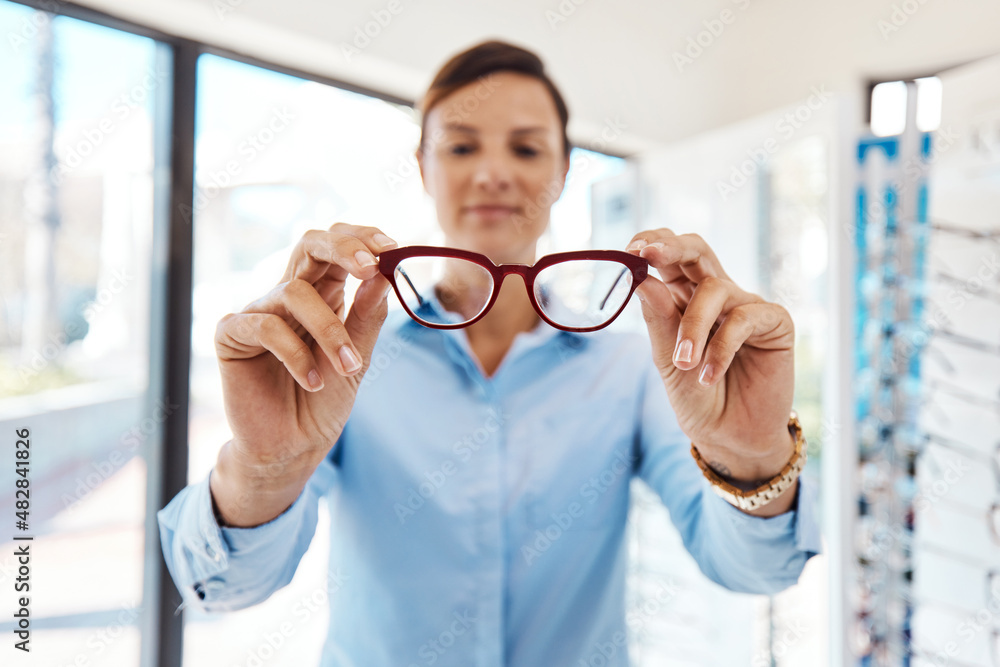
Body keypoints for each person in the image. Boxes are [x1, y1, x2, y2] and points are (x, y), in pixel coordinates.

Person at [158, 39, 821, 666]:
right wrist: (262, 472)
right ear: (423, 168)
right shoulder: (342, 367)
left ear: (562, 171)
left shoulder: (638, 369)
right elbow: (223, 587)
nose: (495, 172)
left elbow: (757, 568)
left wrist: (752, 455)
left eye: (528, 149)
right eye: (462, 145)